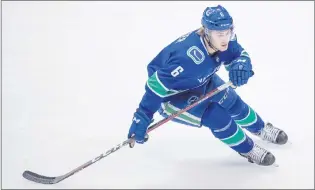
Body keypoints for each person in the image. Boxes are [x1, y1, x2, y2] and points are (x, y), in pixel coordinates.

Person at [127, 5, 288, 166]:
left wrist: (240, 65)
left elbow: (237, 54)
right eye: (220, 34)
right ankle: (248, 149)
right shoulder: (186, 59)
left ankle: (260, 128)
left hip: (202, 79)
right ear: (206, 32)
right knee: (217, 116)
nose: (225, 38)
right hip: (174, 96)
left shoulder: (222, 39)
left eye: (227, 32)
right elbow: (156, 85)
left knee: (233, 103)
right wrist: (143, 115)